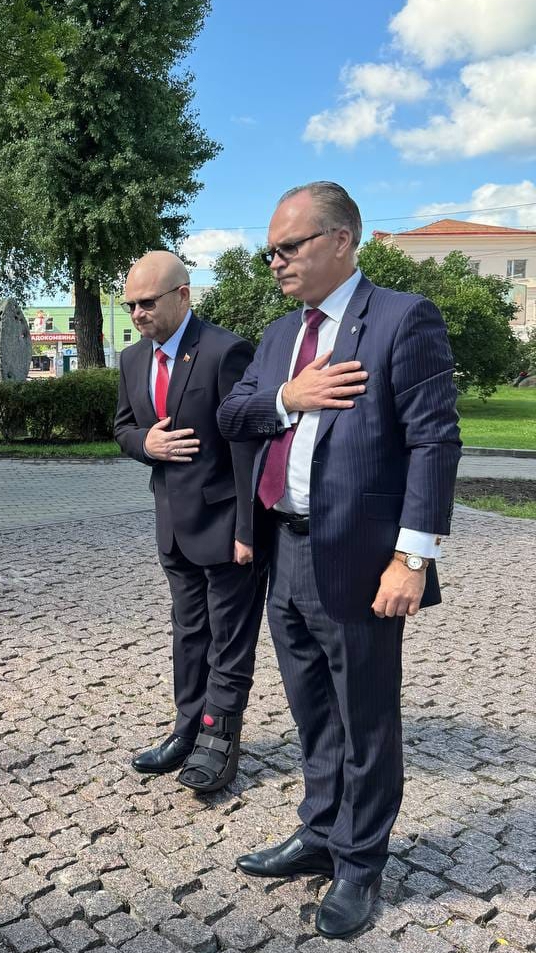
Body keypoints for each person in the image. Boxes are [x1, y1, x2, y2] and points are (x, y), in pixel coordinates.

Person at [217, 182, 461, 939]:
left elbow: (434, 441)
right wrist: (289, 397)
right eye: (270, 251)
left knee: (366, 716)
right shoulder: (278, 337)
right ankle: (320, 831)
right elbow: (232, 413)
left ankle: (360, 861)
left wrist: (412, 558)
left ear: (342, 240)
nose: (275, 261)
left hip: (359, 558)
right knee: (313, 710)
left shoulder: (401, 318)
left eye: (288, 247)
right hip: (285, 551)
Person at [115, 251, 267, 794]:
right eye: (130, 305)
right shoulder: (133, 359)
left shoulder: (226, 351)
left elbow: (248, 445)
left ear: (183, 295)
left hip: (226, 526)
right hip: (173, 527)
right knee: (189, 633)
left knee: (228, 638)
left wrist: (249, 529)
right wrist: (147, 444)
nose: (137, 313)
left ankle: (219, 740)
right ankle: (187, 728)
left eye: (146, 302)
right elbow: (123, 428)